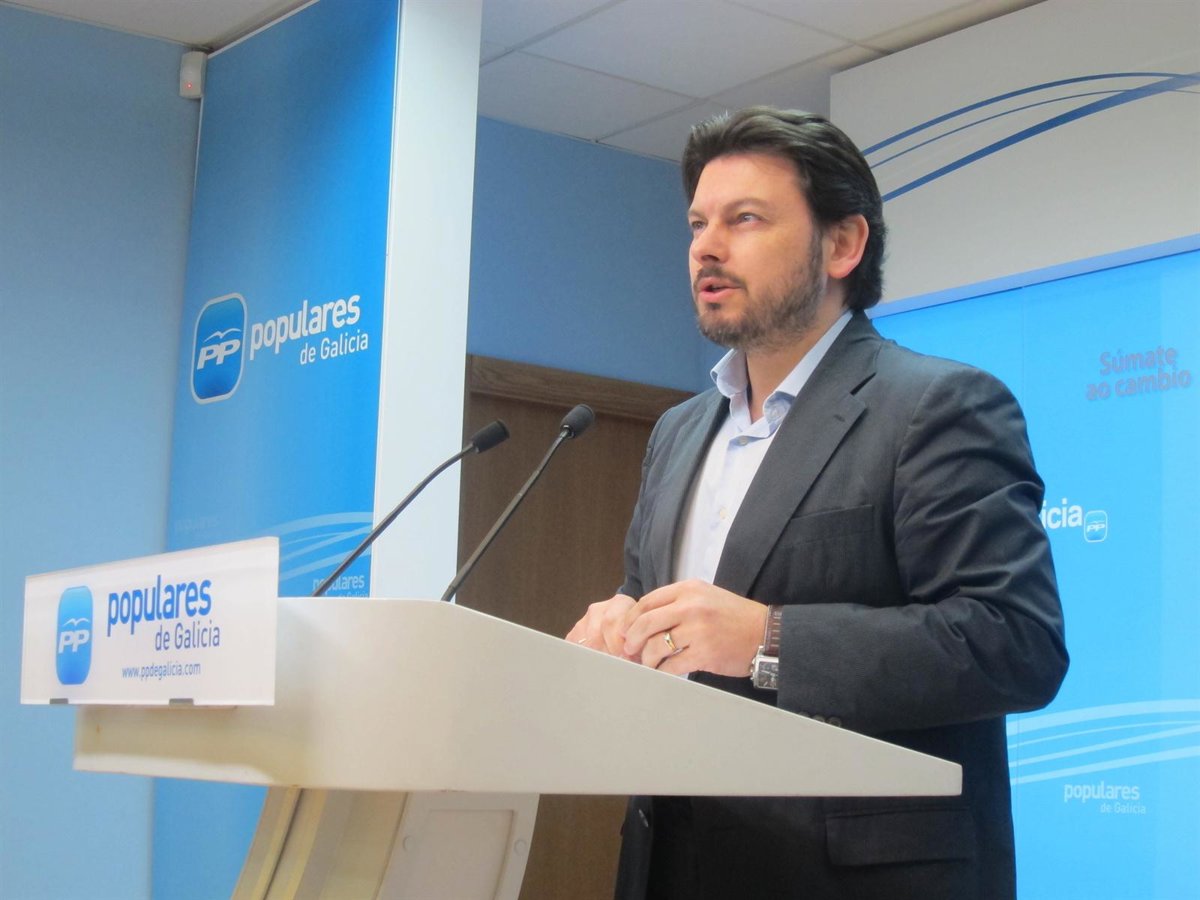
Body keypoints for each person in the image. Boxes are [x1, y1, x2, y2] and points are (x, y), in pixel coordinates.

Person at [565, 107, 1068, 900]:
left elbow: (1015, 645)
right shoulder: (677, 432)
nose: (706, 246)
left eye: (745, 219)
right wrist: (618, 629)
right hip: (667, 867)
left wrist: (769, 640)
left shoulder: (936, 406)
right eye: (698, 223)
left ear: (842, 245)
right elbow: (658, 610)